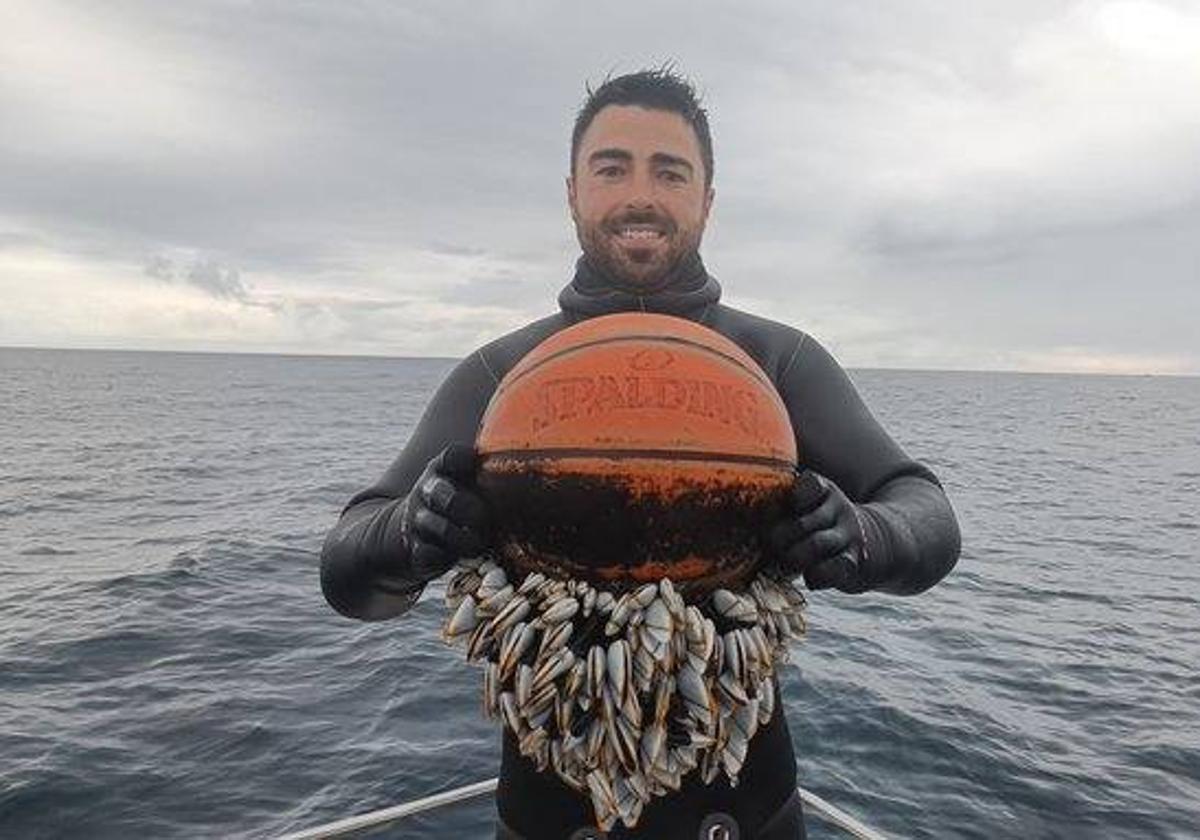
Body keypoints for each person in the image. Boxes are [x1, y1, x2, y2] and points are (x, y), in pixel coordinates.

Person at [320, 68, 961, 840]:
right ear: (572, 192)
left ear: (707, 200)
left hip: (746, 815)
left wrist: (863, 536)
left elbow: (926, 514)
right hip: (547, 821)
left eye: (670, 171)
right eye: (612, 167)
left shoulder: (777, 363)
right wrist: (409, 534)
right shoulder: (502, 378)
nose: (640, 195)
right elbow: (349, 574)